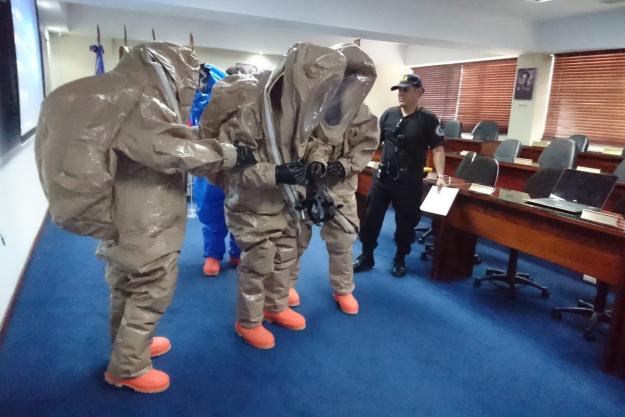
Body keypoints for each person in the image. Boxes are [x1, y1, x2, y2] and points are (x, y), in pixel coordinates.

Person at [35, 42, 256, 394]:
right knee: (151, 288)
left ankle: (128, 345)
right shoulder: (141, 101)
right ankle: (129, 367)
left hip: (121, 210)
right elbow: (172, 150)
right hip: (146, 217)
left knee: (124, 283)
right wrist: (230, 154)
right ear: (170, 70)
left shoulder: (118, 95)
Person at [200, 43, 347, 349]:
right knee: (259, 262)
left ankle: (275, 307)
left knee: (285, 256)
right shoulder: (248, 113)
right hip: (251, 203)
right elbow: (235, 168)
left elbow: (313, 142)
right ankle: (248, 322)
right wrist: (277, 174)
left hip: (286, 202)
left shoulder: (303, 108)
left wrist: (317, 160)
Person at [286, 43, 379, 314]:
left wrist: (345, 165)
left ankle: (343, 289)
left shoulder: (364, 115)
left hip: (339, 186)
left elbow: (365, 147)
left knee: (342, 241)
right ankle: (285, 286)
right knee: (295, 238)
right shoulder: (307, 106)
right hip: (304, 183)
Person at [353, 74, 446, 277]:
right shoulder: (389, 114)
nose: (400, 94)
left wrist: (440, 176)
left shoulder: (428, 119)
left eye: (405, 89)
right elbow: (374, 142)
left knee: (405, 223)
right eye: (399, 90)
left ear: (419, 92)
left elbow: (437, 148)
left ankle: (400, 258)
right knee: (370, 218)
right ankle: (366, 256)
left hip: (409, 179)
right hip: (383, 177)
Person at [190, 64, 241, 276]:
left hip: (237, 165)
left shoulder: (247, 103)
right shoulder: (206, 101)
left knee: (240, 211)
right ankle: (213, 255)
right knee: (211, 210)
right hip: (211, 163)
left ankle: (238, 252)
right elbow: (201, 115)